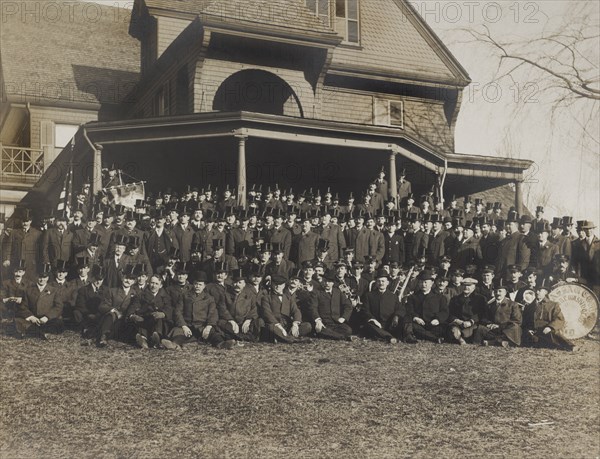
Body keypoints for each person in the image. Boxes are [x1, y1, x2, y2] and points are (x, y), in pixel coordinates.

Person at [171, 270, 236, 349]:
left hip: (202, 325)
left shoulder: (209, 298)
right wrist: (184, 326)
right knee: (178, 334)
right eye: (195, 284)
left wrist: (208, 326)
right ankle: (173, 345)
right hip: (187, 324)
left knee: (214, 334)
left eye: (200, 285)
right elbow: (178, 312)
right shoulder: (185, 296)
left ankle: (222, 344)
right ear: (193, 284)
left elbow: (213, 313)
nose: (197, 286)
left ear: (204, 286)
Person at [522, 282, 578, 351]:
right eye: (536, 290)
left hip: (546, 330)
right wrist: (528, 329)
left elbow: (559, 319)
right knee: (529, 338)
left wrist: (550, 327)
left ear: (545, 292)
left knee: (552, 334)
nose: (537, 292)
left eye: (540, 290)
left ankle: (570, 346)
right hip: (534, 332)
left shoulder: (553, 305)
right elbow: (525, 320)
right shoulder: (530, 306)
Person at [15, 263, 64, 339]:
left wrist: (47, 317)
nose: (42, 279)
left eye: (44, 277)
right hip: (33, 319)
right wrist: (31, 317)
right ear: (36, 277)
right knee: (18, 320)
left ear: (47, 278)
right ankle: (41, 333)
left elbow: (58, 307)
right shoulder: (28, 290)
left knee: (59, 322)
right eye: (40, 277)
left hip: (47, 320)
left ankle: (34, 332)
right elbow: (23, 306)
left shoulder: (54, 290)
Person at [259, 274, 312, 343]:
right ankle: (293, 339)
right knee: (270, 328)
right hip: (275, 324)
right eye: (275, 284)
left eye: (280, 284)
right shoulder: (266, 298)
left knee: (307, 326)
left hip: (287, 325)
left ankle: (281, 337)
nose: (277, 287)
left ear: (284, 285)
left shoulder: (288, 298)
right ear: (272, 284)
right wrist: (279, 326)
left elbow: (296, 311)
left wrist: (295, 324)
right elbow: (267, 314)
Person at [127, 274, 175, 349]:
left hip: (158, 321)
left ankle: (156, 338)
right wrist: (131, 315)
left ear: (161, 285)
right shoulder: (141, 295)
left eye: (156, 284)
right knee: (141, 323)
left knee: (158, 321)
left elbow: (169, 308)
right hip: (145, 320)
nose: (154, 286)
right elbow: (133, 306)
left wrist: (163, 313)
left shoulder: (165, 296)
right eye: (152, 283)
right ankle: (143, 340)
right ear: (149, 283)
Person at [359, 269, 407, 343]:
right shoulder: (369, 295)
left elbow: (401, 309)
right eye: (379, 281)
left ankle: (404, 336)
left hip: (389, 324)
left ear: (387, 282)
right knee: (368, 325)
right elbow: (365, 310)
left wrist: (396, 316)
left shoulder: (393, 296)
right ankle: (389, 337)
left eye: (383, 281)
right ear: (376, 283)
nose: (381, 283)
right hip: (375, 325)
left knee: (405, 321)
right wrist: (373, 319)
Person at [474, 279, 522, 347]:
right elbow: (484, 318)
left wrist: (500, 326)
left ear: (505, 293)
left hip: (506, 329)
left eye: (500, 291)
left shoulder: (513, 304)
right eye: (496, 291)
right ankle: (499, 342)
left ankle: (493, 342)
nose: (498, 293)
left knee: (515, 327)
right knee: (480, 328)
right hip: (494, 329)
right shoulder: (490, 305)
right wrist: (489, 324)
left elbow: (517, 320)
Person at [216, 268, 260, 342]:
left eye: (240, 282)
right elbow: (222, 309)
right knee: (220, 323)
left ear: (244, 284)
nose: (237, 285)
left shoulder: (250, 295)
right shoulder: (225, 294)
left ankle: (237, 337)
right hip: (231, 322)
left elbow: (254, 309)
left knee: (257, 323)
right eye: (235, 283)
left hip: (244, 322)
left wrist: (248, 320)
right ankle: (240, 337)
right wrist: (231, 320)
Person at [308, 271, 355, 341]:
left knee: (348, 330)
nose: (327, 283)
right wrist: (318, 320)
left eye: (329, 282)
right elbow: (313, 308)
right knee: (321, 329)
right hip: (323, 322)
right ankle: (342, 337)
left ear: (333, 283)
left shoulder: (338, 292)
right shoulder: (316, 292)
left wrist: (343, 318)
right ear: (323, 281)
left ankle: (332, 335)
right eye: (325, 281)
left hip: (336, 322)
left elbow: (348, 306)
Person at [405, 269, 449, 343]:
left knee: (445, 328)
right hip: (419, 325)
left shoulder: (440, 297)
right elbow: (409, 310)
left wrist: (437, 319)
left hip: (434, 325)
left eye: (426, 282)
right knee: (409, 324)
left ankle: (424, 336)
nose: (423, 284)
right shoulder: (413, 297)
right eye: (421, 282)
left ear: (431, 283)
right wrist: (416, 318)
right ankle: (434, 339)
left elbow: (445, 312)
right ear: (418, 283)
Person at [447, 278, 485, 344]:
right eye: (464, 285)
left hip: (472, 323)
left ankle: (460, 337)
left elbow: (481, 313)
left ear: (474, 287)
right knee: (452, 329)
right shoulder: (455, 299)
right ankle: (458, 337)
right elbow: (450, 312)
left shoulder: (480, 299)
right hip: (458, 323)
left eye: (469, 286)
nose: (466, 287)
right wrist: (457, 320)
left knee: (468, 333)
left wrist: (471, 321)